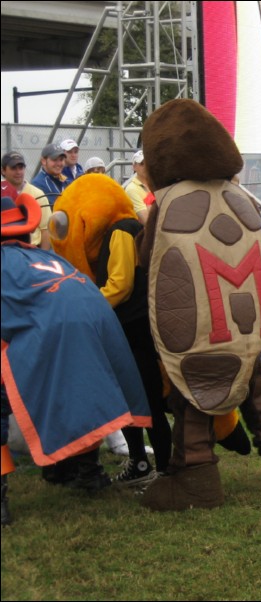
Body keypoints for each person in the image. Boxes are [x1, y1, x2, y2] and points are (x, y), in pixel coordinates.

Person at [137, 98, 261, 511]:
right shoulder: (240, 197)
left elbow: (151, 261)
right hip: (242, 319)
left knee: (193, 388)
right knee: (250, 375)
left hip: (199, 321)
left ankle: (195, 475)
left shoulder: (170, 202)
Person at [2, 190, 151, 521]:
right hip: (96, 317)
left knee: (17, 397)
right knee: (85, 392)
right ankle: (84, 471)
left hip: (55, 327)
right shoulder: (49, 259)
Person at [50, 174, 173, 486]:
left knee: (148, 401)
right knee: (128, 402)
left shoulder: (122, 229)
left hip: (136, 331)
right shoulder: (110, 234)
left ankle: (167, 470)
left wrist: (86, 305)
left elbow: (120, 284)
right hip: (121, 331)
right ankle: (140, 464)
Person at [1, 151, 51, 249]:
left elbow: (45, 229)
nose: (18, 172)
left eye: (21, 167)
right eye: (13, 168)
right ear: (3, 170)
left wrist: (42, 256)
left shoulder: (37, 193)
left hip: (32, 249)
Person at [123, 150, 149, 224]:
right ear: (134, 167)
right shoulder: (131, 189)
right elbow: (146, 220)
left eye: (148, 163)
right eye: (142, 164)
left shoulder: (157, 184)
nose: (146, 166)